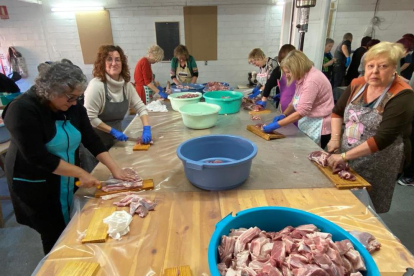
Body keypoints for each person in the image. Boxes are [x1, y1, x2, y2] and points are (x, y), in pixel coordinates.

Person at [2, 62, 133, 254]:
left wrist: (115, 169)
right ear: (51, 90)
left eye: (78, 97)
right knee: (53, 232)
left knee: (69, 225)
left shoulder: (73, 106)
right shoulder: (21, 110)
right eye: (71, 97)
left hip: (64, 176)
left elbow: (90, 138)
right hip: (35, 183)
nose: (74, 103)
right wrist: (80, 172)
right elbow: (37, 157)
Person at [326, 42, 414, 213]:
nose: (374, 71)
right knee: (342, 203)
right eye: (370, 66)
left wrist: (344, 156)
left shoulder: (402, 94)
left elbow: (384, 138)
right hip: (347, 154)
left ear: (394, 68)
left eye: (382, 66)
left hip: (379, 161)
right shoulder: (357, 84)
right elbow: (337, 112)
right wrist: (335, 139)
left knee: (366, 210)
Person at [84, 45, 151, 151]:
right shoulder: (96, 86)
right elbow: (90, 117)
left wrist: (146, 128)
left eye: (117, 60)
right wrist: (112, 131)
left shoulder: (126, 85)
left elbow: (141, 108)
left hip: (116, 140)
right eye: (109, 59)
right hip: (94, 141)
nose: (114, 63)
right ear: (102, 63)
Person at [262, 50, 334, 149]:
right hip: (308, 122)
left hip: (319, 125)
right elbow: (295, 100)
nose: (286, 75)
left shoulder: (312, 80)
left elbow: (301, 111)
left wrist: (276, 125)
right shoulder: (302, 77)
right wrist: (284, 114)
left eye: (288, 72)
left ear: (297, 67)